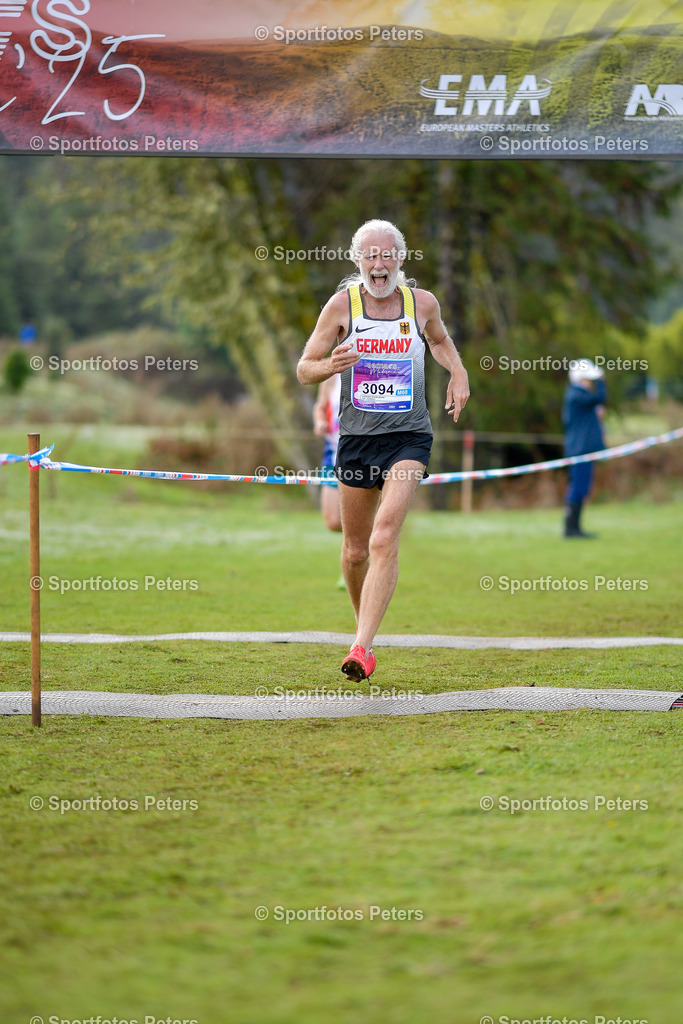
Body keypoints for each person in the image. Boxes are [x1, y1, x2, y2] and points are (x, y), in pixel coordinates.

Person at [297, 219, 470, 681]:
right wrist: (330, 364)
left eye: (387, 254)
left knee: (383, 535)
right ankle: (363, 628)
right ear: (358, 261)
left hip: (409, 436)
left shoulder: (422, 303)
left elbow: (439, 340)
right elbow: (304, 369)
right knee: (354, 551)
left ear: (400, 258)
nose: (379, 263)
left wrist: (459, 372)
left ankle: (361, 647)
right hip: (356, 439)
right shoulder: (341, 307)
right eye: (370, 255)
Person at [562, 359, 606, 539]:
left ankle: (575, 528)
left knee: (582, 488)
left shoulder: (579, 396)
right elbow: (600, 398)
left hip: (584, 449)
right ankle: (571, 529)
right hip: (579, 450)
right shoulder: (576, 395)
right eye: (589, 379)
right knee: (578, 488)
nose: (592, 383)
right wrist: (603, 380)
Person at [313, 373, 342, 533]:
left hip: (369, 452)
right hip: (334, 451)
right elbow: (320, 407)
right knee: (333, 522)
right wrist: (320, 422)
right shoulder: (332, 375)